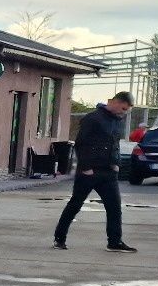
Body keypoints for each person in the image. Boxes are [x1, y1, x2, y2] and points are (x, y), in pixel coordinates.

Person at [54, 92, 137, 252]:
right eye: (123, 108)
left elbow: (115, 143)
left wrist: (116, 163)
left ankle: (114, 242)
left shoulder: (117, 121)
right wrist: (85, 167)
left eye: (126, 110)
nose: (124, 113)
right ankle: (59, 238)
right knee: (75, 204)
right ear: (114, 102)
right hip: (89, 172)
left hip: (108, 172)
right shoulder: (92, 118)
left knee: (114, 207)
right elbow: (80, 143)